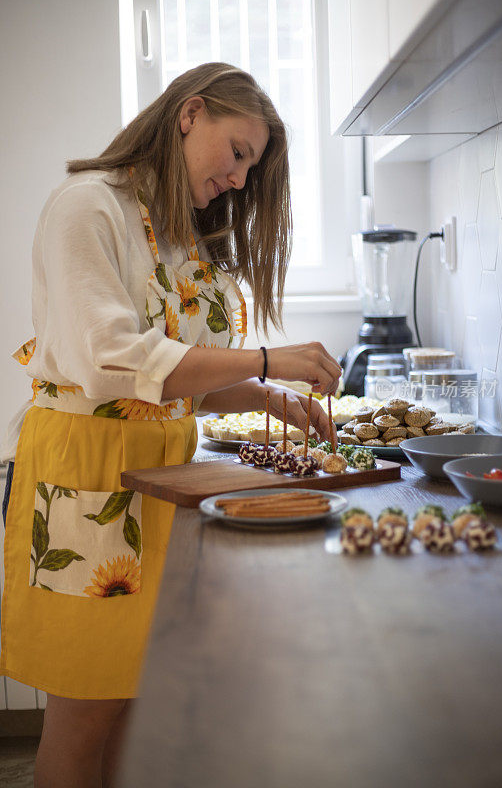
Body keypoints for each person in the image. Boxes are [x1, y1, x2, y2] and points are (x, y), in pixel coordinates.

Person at [0, 62, 341, 788]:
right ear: (190, 114)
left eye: (252, 165)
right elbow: (117, 361)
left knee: (134, 703)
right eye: (238, 152)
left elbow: (172, 381)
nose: (241, 180)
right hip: (87, 475)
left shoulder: (181, 233)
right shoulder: (88, 208)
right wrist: (269, 359)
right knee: (86, 711)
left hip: (165, 479)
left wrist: (265, 395)